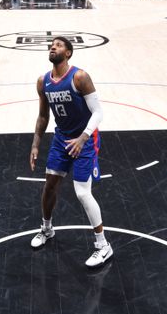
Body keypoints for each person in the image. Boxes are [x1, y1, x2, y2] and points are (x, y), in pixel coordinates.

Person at [29, 36, 111, 268]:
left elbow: (98, 113)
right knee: (50, 185)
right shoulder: (42, 81)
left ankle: (103, 245)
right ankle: (46, 229)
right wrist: (35, 144)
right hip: (61, 139)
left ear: (68, 53)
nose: (53, 47)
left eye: (59, 45)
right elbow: (43, 116)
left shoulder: (79, 77)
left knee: (83, 193)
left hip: (85, 139)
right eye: (51, 45)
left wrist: (83, 137)